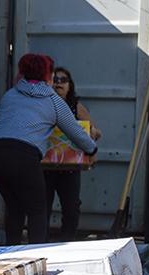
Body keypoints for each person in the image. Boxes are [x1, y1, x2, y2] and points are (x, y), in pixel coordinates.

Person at [0, 54, 97, 245]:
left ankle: (10, 254)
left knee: (14, 205)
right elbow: (75, 132)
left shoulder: (10, 94)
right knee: (37, 210)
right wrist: (92, 150)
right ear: (49, 75)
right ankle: (38, 257)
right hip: (23, 155)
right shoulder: (52, 100)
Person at [44, 66, 102, 240]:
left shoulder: (76, 106)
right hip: (45, 165)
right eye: (55, 80)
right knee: (42, 205)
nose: (58, 84)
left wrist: (91, 132)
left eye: (63, 80)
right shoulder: (43, 104)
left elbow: (96, 132)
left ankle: (68, 240)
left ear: (70, 85)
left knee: (71, 206)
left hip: (70, 166)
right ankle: (40, 241)